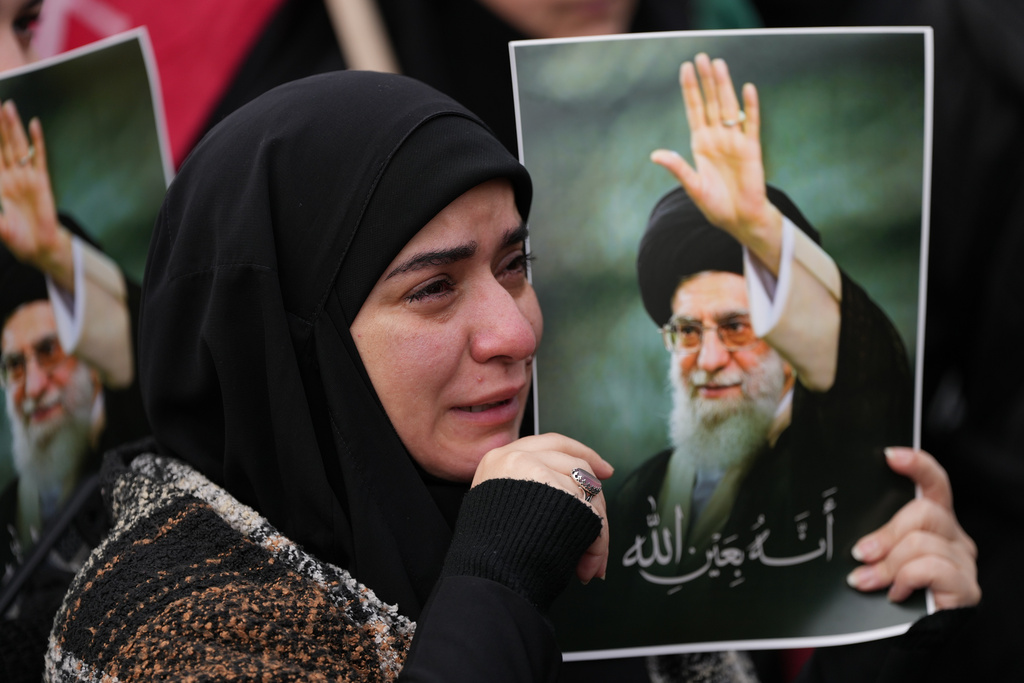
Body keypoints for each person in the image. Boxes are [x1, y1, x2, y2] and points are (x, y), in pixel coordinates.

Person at [46, 69, 976, 682]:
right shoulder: (154, 622)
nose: (515, 328)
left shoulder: (595, 527)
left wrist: (888, 633)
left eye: (515, 264)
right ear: (291, 345)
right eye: (435, 288)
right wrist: (492, 580)